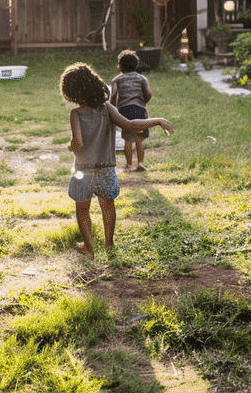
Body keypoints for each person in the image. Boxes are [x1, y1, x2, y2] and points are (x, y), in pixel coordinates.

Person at [60, 63, 174, 260]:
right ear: (95, 84)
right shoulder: (107, 108)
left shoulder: (76, 114)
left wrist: (70, 145)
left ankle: (89, 249)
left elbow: (77, 143)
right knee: (108, 206)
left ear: (72, 92)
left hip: (83, 171)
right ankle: (109, 245)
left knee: (82, 209)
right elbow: (130, 125)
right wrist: (157, 120)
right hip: (106, 169)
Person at [110, 50, 154, 171]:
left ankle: (129, 164)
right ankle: (140, 163)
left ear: (120, 67)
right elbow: (149, 93)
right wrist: (143, 102)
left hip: (125, 111)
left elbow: (113, 94)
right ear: (136, 65)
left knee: (128, 139)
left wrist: (112, 108)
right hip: (139, 110)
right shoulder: (142, 78)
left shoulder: (117, 80)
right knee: (139, 138)